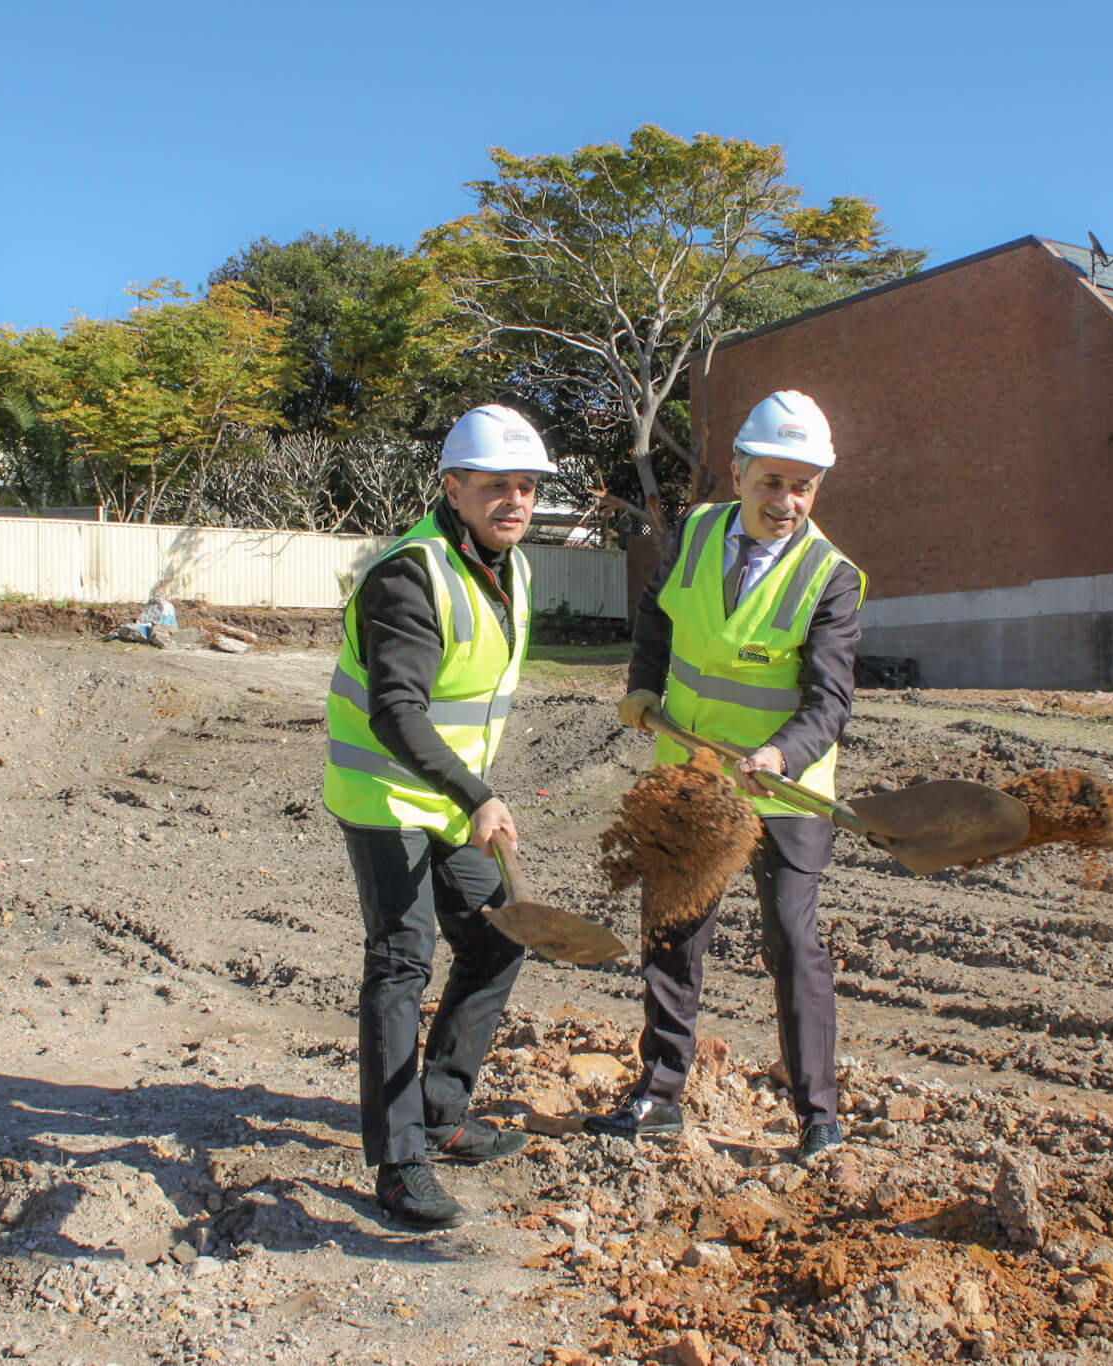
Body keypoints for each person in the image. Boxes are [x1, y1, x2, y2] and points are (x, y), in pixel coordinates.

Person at [589, 390, 866, 1162]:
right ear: (739, 472)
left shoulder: (831, 577)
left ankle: (817, 1117)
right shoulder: (698, 532)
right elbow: (657, 611)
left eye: (803, 485)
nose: (787, 501)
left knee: (791, 941)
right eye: (772, 480)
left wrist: (780, 755)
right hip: (690, 777)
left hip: (785, 791)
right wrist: (643, 681)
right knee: (673, 932)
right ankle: (659, 1097)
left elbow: (829, 700)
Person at [322, 404, 557, 1229]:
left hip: (450, 798)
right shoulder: (408, 574)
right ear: (452, 488)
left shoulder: (513, 570)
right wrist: (478, 793)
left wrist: (471, 793)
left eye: (526, 487)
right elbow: (394, 710)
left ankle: (439, 1111)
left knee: (497, 939)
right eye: (496, 486)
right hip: (385, 795)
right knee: (401, 962)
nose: (515, 502)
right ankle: (396, 1162)